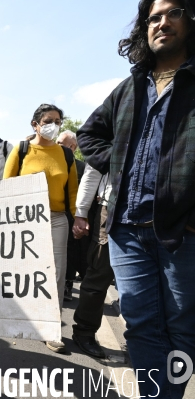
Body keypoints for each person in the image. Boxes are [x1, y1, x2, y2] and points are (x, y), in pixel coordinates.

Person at [77, 0, 195, 396]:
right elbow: (89, 136)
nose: (162, 23)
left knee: (183, 329)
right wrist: (120, 160)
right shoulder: (129, 87)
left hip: (184, 229)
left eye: (173, 12)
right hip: (126, 229)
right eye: (154, 17)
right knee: (141, 325)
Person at [3, 104, 78, 354]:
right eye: (48, 120)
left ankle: (51, 328)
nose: (54, 125)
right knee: (24, 268)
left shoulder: (66, 156)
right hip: (24, 218)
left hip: (56, 218)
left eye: (58, 121)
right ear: (35, 124)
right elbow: (7, 185)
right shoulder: (21, 150)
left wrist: (77, 218)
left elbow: (73, 193)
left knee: (56, 272)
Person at [71, 164, 112, 359]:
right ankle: (84, 332)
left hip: (165, 209)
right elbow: (94, 168)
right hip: (113, 206)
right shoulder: (115, 133)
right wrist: (81, 212)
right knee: (99, 271)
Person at [55, 131, 88, 300]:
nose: (57, 144)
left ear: (72, 147)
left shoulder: (82, 167)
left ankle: (67, 284)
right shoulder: (53, 163)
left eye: (61, 142)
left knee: (70, 251)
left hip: (71, 216)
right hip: (52, 214)